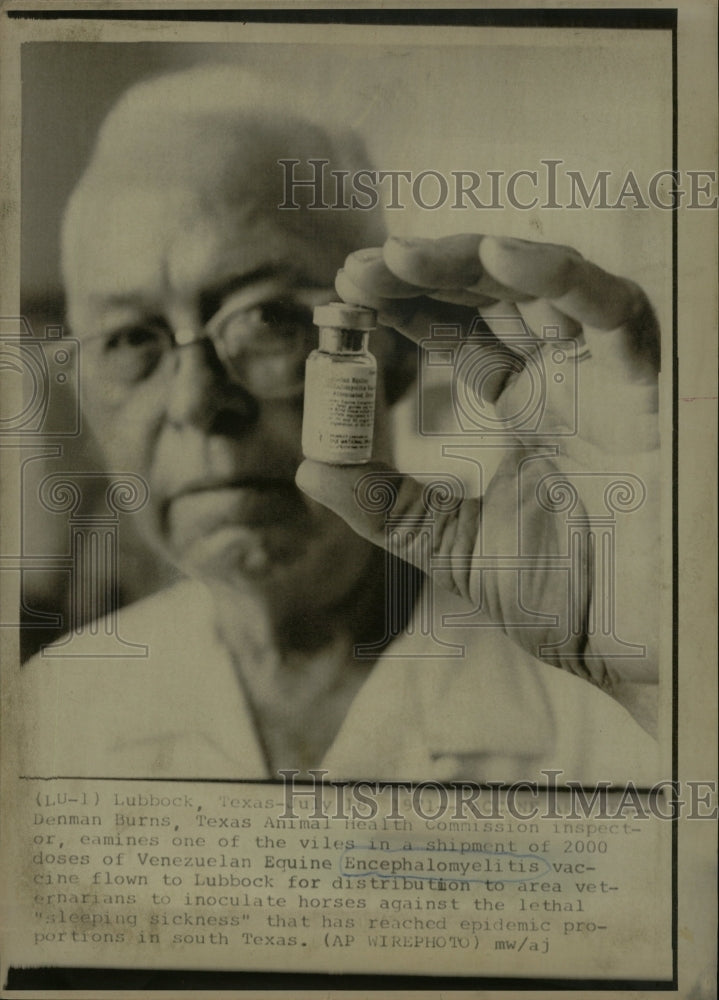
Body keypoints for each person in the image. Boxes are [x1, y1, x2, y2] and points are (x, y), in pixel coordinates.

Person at [16, 64, 660, 784]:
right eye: (131, 339)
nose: (197, 402)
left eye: (267, 317)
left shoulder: (612, 698)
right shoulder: (52, 710)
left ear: (393, 350)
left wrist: (669, 674)